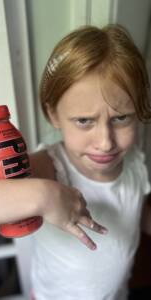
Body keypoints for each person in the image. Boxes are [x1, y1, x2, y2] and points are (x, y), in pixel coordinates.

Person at [28, 24, 151, 300]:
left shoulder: (134, 162)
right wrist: (40, 194)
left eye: (121, 118)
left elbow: (134, 210)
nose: (106, 142)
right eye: (84, 121)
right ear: (53, 115)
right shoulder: (49, 168)